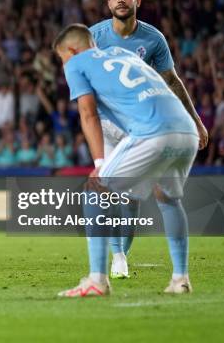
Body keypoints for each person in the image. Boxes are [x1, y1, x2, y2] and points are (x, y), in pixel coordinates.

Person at [54, 24, 198, 297]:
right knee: (169, 199)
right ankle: (181, 279)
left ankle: (97, 280)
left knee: (94, 191)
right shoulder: (122, 53)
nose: (64, 64)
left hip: (153, 132)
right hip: (185, 131)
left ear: (72, 49)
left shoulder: (77, 63)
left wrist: (98, 162)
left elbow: (88, 114)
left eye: (62, 57)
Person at [89, 0, 208, 278]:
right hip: (106, 123)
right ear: (108, 3)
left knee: (130, 196)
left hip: (140, 126)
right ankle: (117, 257)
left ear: (137, 2)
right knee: (108, 189)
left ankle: (121, 254)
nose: (120, 0)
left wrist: (196, 120)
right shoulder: (95, 36)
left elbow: (172, 81)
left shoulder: (153, 39)